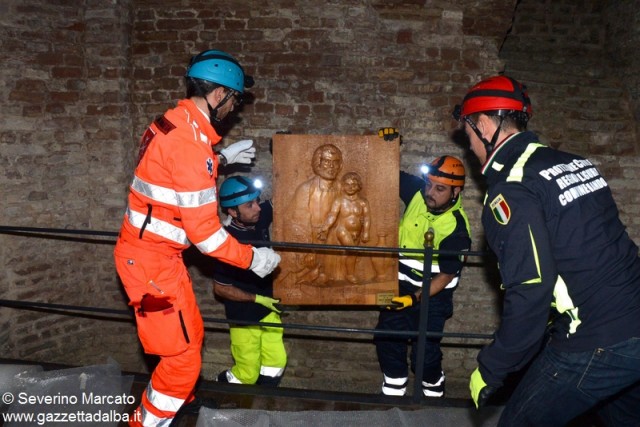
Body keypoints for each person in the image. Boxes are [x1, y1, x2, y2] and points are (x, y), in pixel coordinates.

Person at [455, 75, 640, 426]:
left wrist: (493, 365)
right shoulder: (575, 162)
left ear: (481, 124)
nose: (470, 148)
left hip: (595, 337)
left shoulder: (512, 188)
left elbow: (531, 288)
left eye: (468, 137)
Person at [113, 49, 281, 427]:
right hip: (152, 264)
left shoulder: (174, 122)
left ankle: (176, 403)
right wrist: (255, 260)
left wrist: (220, 160)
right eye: (235, 99)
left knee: (191, 337)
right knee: (181, 360)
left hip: (157, 259)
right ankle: (146, 421)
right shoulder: (190, 144)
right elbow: (206, 236)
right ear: (219, 94)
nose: (235, 109)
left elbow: (173, 171)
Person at [374, 151, 471, 398]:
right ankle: (394, 387)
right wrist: (387, 145)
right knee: (387, 336)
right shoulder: (418, 191)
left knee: (425, 350)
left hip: (433, 295)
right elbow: (389, 173)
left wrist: (414, 298)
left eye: (440, 189)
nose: (430, 192)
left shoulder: (456, 229)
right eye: (429, 184)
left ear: (455, 192)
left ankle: (433, 391)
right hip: (397, 284)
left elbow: (445, 276)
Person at [213, 176, 287, 386]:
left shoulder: (257, 217)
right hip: (244, 314)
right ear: (233, 212)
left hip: (269, 309)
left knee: (276, 363)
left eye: (256, 201)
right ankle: (221, 387)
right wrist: (257, 299)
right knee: (247, 373)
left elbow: (283, 198)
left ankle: (263, 402)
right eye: (250, 205)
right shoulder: (226, 243)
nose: (258, 208)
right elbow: (220, 288)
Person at [288, 143, 344, 283]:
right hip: (312, 241)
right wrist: (309, 250)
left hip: (337, 242)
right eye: (326, 161)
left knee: (338, 280)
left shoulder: (343, 188)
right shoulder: (306, 189)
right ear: (317, 163)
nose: (331, 166)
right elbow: (298, 224)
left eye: (335, 162)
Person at [317, 171, 371, 283]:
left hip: (356, 233)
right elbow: (332, 215)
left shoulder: (363, 202)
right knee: (353, 250)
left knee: (352, 254)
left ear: (358, 186)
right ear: (343, 185)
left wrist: (366, 232)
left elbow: (367, 218)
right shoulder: (339, 201)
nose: (350, 187)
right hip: (342, 230)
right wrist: (326, 227)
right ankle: (350, 275)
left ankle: (349, 274)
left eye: (354, 185)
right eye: (347, 184)